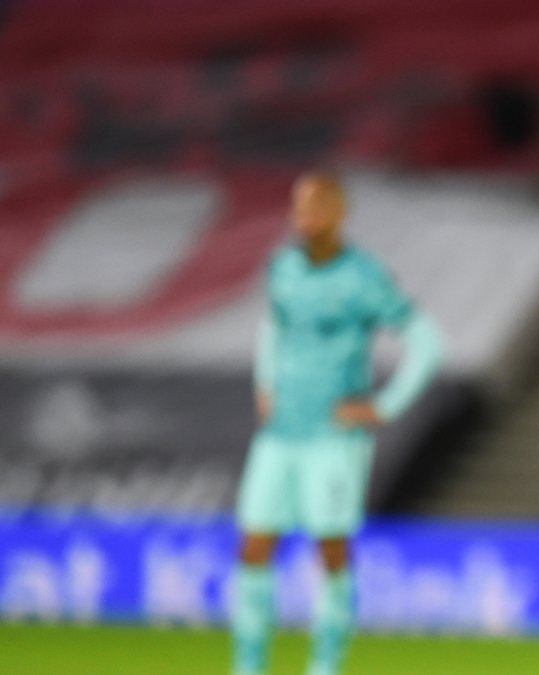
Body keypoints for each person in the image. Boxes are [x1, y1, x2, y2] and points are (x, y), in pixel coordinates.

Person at [231, 172, 445, 675]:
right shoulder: (282, 267)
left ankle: (325, 666)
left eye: (313, 206)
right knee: (254, 546)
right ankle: (247, 667)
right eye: (297, 206)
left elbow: (429, 344)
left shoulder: (363, 277)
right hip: (280, 432)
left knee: (330, 549)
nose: (302, 216)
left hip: (334, 438)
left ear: (337, 212)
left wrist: (384, 406)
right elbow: (274, 326)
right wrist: (265, 384)